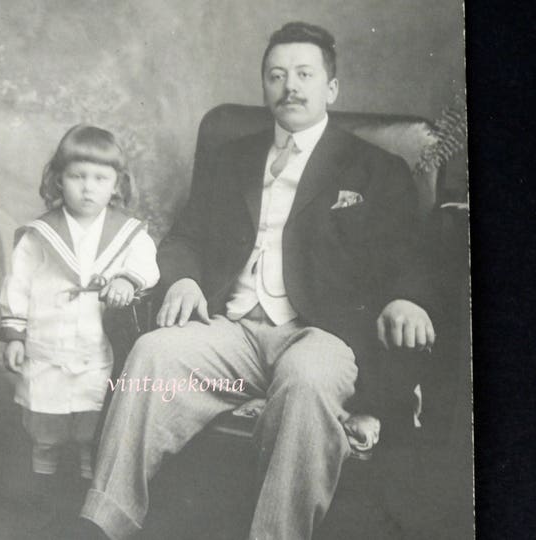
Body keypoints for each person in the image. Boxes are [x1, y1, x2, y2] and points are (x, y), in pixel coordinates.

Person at [81, 22, 435, 540]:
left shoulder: (377, 168)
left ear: (330, 88)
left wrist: (408, 298)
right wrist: (183, 281)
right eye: (276, 75)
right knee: (153, 353)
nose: (289, 86)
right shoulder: (231, 160)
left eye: (303, 74)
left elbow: (408, 253)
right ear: (265, 86)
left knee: (307, 378)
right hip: (232, 330)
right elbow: (185, 238)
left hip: (323, 334)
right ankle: (102, 525)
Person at [0, 124, 159, 522]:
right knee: (45, 411)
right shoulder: (40, 234)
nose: (88, 188)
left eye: (100, 178)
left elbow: (147, 266)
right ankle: (43, 473)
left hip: (93, 341)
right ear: (58, 179)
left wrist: (126, 279)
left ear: (116, 184)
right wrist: (15, 334)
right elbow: (16, 285)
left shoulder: (127, 233)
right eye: (77, 176)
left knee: (93, 409)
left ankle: (90, 475)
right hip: (47, 338)